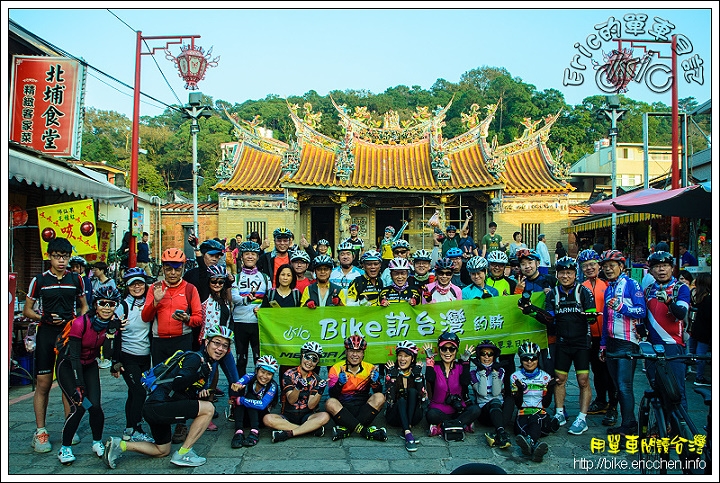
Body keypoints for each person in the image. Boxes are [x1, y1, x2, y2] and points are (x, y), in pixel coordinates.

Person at [103, 325, 234, 468]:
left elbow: (184, 388)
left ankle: (119, 445)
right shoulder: (196, 359)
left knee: (162, 450)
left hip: (155, 406)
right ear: (206, 342)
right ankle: (185, 452)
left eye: (224, 346)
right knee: (208, 408)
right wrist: (199, 373)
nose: (220, 348)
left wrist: (199, 393)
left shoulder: (206, 363)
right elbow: (178, 383)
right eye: (216, 343)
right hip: (160, 405)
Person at [24, 237, 89, 453]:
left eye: (65, 257)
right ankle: (40, 431)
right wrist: (43, 317)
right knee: (43, 383)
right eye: (56, 257)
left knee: (66, 382)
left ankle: (68, 426)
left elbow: (84, 307)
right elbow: (27, 310)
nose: (61, 261)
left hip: (68, 334)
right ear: (49, 257)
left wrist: (79, 325)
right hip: (46, 333)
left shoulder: (76, 279)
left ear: (70, 257)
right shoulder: (39, 280)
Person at [141, 248, 203, 444]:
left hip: (181, 340)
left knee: (181, 383)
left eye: (177, 269)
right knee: (160, 383)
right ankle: (162, 422)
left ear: (183, 268)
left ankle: (181, 423)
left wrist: (187, 318)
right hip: (159, 341)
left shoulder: (190, 289)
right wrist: (156, 302)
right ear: (164, 269)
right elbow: (145, 317)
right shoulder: (155, 288)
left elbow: (199, 318)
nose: (173, 273)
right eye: (169, 269)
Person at [55, 286, 122, 464]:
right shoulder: (80, 323)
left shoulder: (112, 323)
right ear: (95, 305)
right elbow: (75, 356)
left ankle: (97, 442)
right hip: (69, 366)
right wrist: (79, 384)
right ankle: (65, 448)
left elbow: (110, 353)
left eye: (112, 304)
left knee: (95, 406)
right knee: (80, 405)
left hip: (90, 365)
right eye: (103, 303)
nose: (107, 308)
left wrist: (112, 338)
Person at [544, 257, 596, 435]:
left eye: (569, 273)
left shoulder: (584, 292)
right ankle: (559, 413)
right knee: (559, 379)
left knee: (583, 381)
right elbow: (549, 320)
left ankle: (582, 417)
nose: (565, 276)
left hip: (581, 342)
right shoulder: (552, 294)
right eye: (562, 273)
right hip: (562, 342)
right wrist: (533, 312)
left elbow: (592, 315)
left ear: (575, 274)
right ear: (557, 274)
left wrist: (591, 316)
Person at [598, 249, 647, 440]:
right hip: (611, 341)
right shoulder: (609, 287)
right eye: (605, 266)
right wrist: (603, 344)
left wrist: (622, 307)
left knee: (624, 385)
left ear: (621, 266)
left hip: (627, 342)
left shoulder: (631, 284)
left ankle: (630, 425)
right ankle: (626, 422)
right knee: (618, 386)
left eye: (612, 266)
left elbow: (641, 311)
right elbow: (607, 318)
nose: (608, 269)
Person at [110, 268, 154, 443]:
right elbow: (112, 332)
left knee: (133, 393)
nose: (137, 287)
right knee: (139, 392)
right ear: (127, 286)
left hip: (145, 356)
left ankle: (129, 429)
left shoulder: (149, 302)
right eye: (133, 284)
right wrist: (115, 361)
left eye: (140, 283)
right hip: (128, 356)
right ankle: (136, 428)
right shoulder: (123, 306)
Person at [644, 251, 692, 410]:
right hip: (652, 347)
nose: (661, 270)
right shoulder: (648, 289)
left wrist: (669, 302)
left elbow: (681, 314)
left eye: (665, 266)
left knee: (676, 391)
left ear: (672, 268)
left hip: (673, 346)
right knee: (657, 389)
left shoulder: (681, 288)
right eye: (657, 266)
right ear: (651, 271)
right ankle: (661, 426)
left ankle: (679, 427)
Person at [577, 249, 617, 427]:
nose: (589, 268)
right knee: (597, 371)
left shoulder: (608, 284)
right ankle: (601, 400)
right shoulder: (581, 286)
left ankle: (613, 406)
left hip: (608, 335)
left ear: (599, 265)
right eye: (585, 266)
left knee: (611, 372)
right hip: (589, 336)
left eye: (592, 264)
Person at [264, 341, 330, 443]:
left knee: (325, 416)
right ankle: (308, 429)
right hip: (287, 416)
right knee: (267, 419)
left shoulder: (316, 379)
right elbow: (291, 400)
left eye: (314, 359)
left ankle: (289, 433)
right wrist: (298, 387)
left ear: (317, 363)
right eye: (308, 357)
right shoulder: (289, 374)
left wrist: (320, 391)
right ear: (302, 356)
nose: (309, 362)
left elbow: (311, 406)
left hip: (307, 416)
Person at [199, 264, 239, 430]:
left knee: (235, 379)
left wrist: (231, 281)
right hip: (210, 346)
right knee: (207, 382)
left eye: (220, 282)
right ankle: (204, 415)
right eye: (213, 281)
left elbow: (234, 296)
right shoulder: (204, 296)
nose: (216, 284)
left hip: (225, 344)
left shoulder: (226, 298)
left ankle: (236, 409)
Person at [326, 335, 387, 442]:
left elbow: (378, 392)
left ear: (363, 353)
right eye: (351, 351)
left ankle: (347, 429)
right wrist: (339, 384)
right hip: (343, 410)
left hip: (363, 409)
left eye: (358, 351)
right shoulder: (336, 368)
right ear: (346, 352)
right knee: (329, 402)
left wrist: (375, 383)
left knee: (380, 397)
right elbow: (332, 395)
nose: (355, 354)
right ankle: (365, 432)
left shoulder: (370, 368)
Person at [423, 331, 481, 438]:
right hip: (439, 410)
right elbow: (429, 378)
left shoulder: (460, 366)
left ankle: (444, 426)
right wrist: (429, 361)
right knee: (431, 415)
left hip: (458, 409)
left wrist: (466, 363)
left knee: (475, 410)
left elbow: (465, 382)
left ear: (456, 351)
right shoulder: (435, 367)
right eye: (444, 349)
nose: (447, 352)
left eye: (452, 349)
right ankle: (461, 425)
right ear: (439, 351)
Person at [511, 342, 559, 463]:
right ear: (521, 360)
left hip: (540, 415)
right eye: (525, 359)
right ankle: (535, 446)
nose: (529, 362)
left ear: (538, 359)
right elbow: (518, 404)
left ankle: (530, 444)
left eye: (533, 358)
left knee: (535, 419)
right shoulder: (515, 377)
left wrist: (550, 390)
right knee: (523, 428)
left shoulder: (545, 377)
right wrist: (520, 391)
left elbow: (546, 404)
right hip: (522, 414)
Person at [231, 241, 271, 378]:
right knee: (241, 359)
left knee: (258, 358)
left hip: (258, 323)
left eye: (253, 254)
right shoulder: (236, 277)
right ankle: (240, 387)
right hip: (240, 321)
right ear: (241, 256)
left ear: (258, 257)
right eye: (246, 254)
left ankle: (258, 386)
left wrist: (261, 307)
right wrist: (247, 299)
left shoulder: (264, 278)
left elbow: (269, 298)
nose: (250, 257)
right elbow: (234, 298)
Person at [184, 238, 232, 351]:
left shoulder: (222, 274)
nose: (214, 259)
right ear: (203, 254)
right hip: (194, 323)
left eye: (217, 256)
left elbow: (228, 300)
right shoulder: (191, 275)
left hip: (215, 327)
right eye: (211, 256)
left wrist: (230, 281)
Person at [229, 355, 280, 448]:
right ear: (256, 371)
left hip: (261, 417)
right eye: (262, 372)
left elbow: (262, 405)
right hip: (246, 416)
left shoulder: (273, 386)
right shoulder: (251, 376)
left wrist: (241, 400)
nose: (264, 376)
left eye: (269, 374)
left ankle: (255, 431)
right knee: (243, 396)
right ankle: (238, 431)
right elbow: (240, 382)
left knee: (247, 398)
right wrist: (237, 386)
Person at [384, 340, 426, 452]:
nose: (402, 359)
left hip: (413, 416)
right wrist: (392, 378)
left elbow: (423, 398)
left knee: (412, 392)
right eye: (400, 356)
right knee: (401, 400)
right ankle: (407, 432)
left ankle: (407, 427)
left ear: (412, 358)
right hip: (395, 415)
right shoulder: (392, 371)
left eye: (406, 356)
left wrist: (417, 377)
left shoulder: (416, 372)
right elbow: (390, 400)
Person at [470, 340, 511, 449]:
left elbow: (496, 392)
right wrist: (483, 372)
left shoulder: (500, 370)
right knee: (494, 402)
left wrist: (494, 373)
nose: (487, 357)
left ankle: (499, 433)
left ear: (494, 356)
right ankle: (501, 433)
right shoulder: (473, 373)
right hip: (485, 412)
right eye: (483, 354)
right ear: (479, 356)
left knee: (510, 399)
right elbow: (482, 393)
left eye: (490, 354)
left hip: (499, 410)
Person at [90, 261, 117, 369]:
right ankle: (95, 357)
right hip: (96, 313)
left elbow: (114, 297)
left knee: (107, 336)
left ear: (102, 271)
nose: (94, 272)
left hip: (107, 314)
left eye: (96, 269)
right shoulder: (94, 282)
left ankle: (106, 358)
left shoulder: (110, 282)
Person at [688, 273, 711, 386]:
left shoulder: (694, 294)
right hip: (705, 329)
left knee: (691, 351)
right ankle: (699, 377)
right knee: (701, 353)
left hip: (694, 327)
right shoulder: (708, 298)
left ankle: (685, 372)